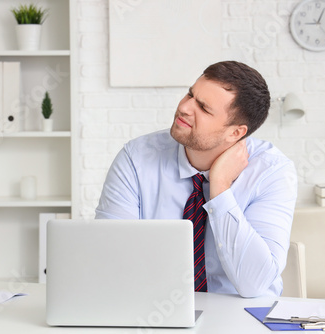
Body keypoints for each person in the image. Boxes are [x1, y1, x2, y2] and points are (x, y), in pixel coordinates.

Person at [95, 61, 297, 297]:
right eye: (190, 94)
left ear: (235, 133)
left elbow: (254, 284)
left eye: (203, 107)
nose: (185, 107)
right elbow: (109, 258)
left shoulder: (271, 172)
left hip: (242, 316)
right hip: (154, 309)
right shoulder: (137, 158)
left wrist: (220, 188)